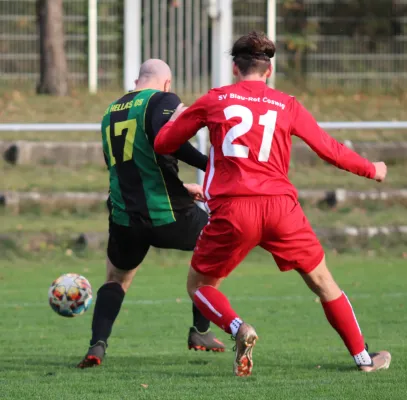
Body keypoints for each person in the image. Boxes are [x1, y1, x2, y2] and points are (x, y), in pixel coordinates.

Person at [154, 32, 391, 377]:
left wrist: (179, 116)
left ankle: (238, 329)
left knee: (199, 286)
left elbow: (164, 143)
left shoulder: (214, 100)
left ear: (235, 68)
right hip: (281, 209)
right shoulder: (286, 104)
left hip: (233, 209)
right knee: (324, 282)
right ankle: (363, 359)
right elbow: (329, 148)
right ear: (268, 71)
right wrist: (373, 169)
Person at [77, 59, 225, 369]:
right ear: (167, 83)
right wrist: (209, 166)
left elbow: (134, 167)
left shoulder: (110, 111)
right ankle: (200, 332)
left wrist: (182, 187)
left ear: (136, 80)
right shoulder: (163, 100)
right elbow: (167, 141)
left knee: (116, 279)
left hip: (125, 217)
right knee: (217, 246)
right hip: (169, 215)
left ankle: (97, 345)